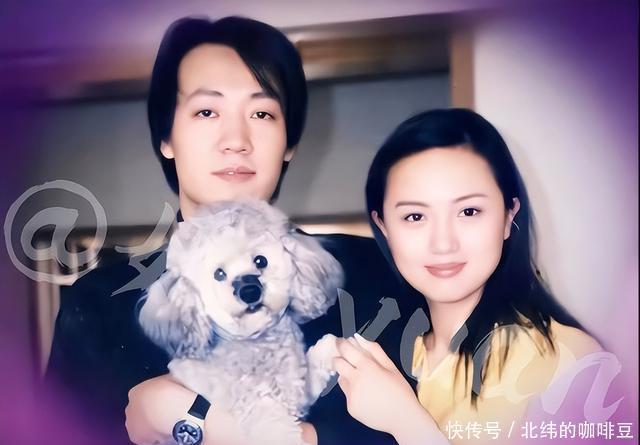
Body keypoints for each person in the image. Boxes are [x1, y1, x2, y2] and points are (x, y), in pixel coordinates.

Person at [44, 16, 419, 445]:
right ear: (167, 137)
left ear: (290, 142)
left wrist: (192, 422)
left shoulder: (374, 273)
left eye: (262, 113)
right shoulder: (98, 305)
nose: (236, 139)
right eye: (207, 111)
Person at [331, 109, 614, 444]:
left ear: (508, 216)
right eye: (415, 216)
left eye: (468, 211)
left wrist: (407, 423)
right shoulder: (387, 353)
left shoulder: (569, 362)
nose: (443, 243)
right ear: (384, 227)